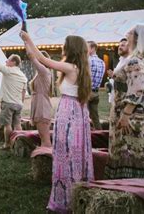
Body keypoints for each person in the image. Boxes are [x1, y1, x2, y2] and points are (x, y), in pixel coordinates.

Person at [20, 32, 93, 213]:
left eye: (64, 44)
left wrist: (29, 40)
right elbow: (36, 58)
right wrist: (28, 44)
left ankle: (66, 196)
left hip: (69, 112)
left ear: (71, 48)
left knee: (66, 152)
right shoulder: (80, 67)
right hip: (78, 112)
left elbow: (43, 60)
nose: (62, 47)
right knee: (74, 151)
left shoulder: (70, 67)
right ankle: (75, 191)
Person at [105, 24, 144, 179]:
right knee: (134, 151)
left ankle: (129, 184)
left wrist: (126, 115)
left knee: (129, 149)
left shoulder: (135, 61)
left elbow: (136, 89)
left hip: (133, 115)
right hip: (140, 112)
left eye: (131, 32)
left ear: (137, 38)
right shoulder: (141, 59)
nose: (127, 33)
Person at [0, 45, 27, 149]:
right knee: (17, 124)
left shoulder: (8, 70)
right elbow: (23, 92)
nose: (6, 61)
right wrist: (21, 103)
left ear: (13, 62)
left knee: (7, 125)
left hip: (8, 103)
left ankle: (7, 144)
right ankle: (19, 144)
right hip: (19, 104)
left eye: (8, 60)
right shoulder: (23, 76)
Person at [28, 51, 53, 148]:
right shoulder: (41, 72)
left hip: (41, 106)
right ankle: (45, 156)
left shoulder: (44, 71)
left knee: (45, 139)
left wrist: (26, 41)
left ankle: (46, 157)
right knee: (43, 137)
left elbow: (31, 56)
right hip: (39, 104)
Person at [106, 38, 130, 106]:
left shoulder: (130, 61)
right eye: (119, 46)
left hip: (125, 99)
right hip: (117, 97)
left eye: (122, 45)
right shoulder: (121, 60)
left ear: (129, 47)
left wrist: (114, 76)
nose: (119, 47)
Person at [87, 41, 105, 130]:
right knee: (95, 117)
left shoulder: (87, 60)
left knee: (84, 116)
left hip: (87, 91)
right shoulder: (102, 62)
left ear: (93, 48)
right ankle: (100, 134)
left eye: (87, 47)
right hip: (96, 92)